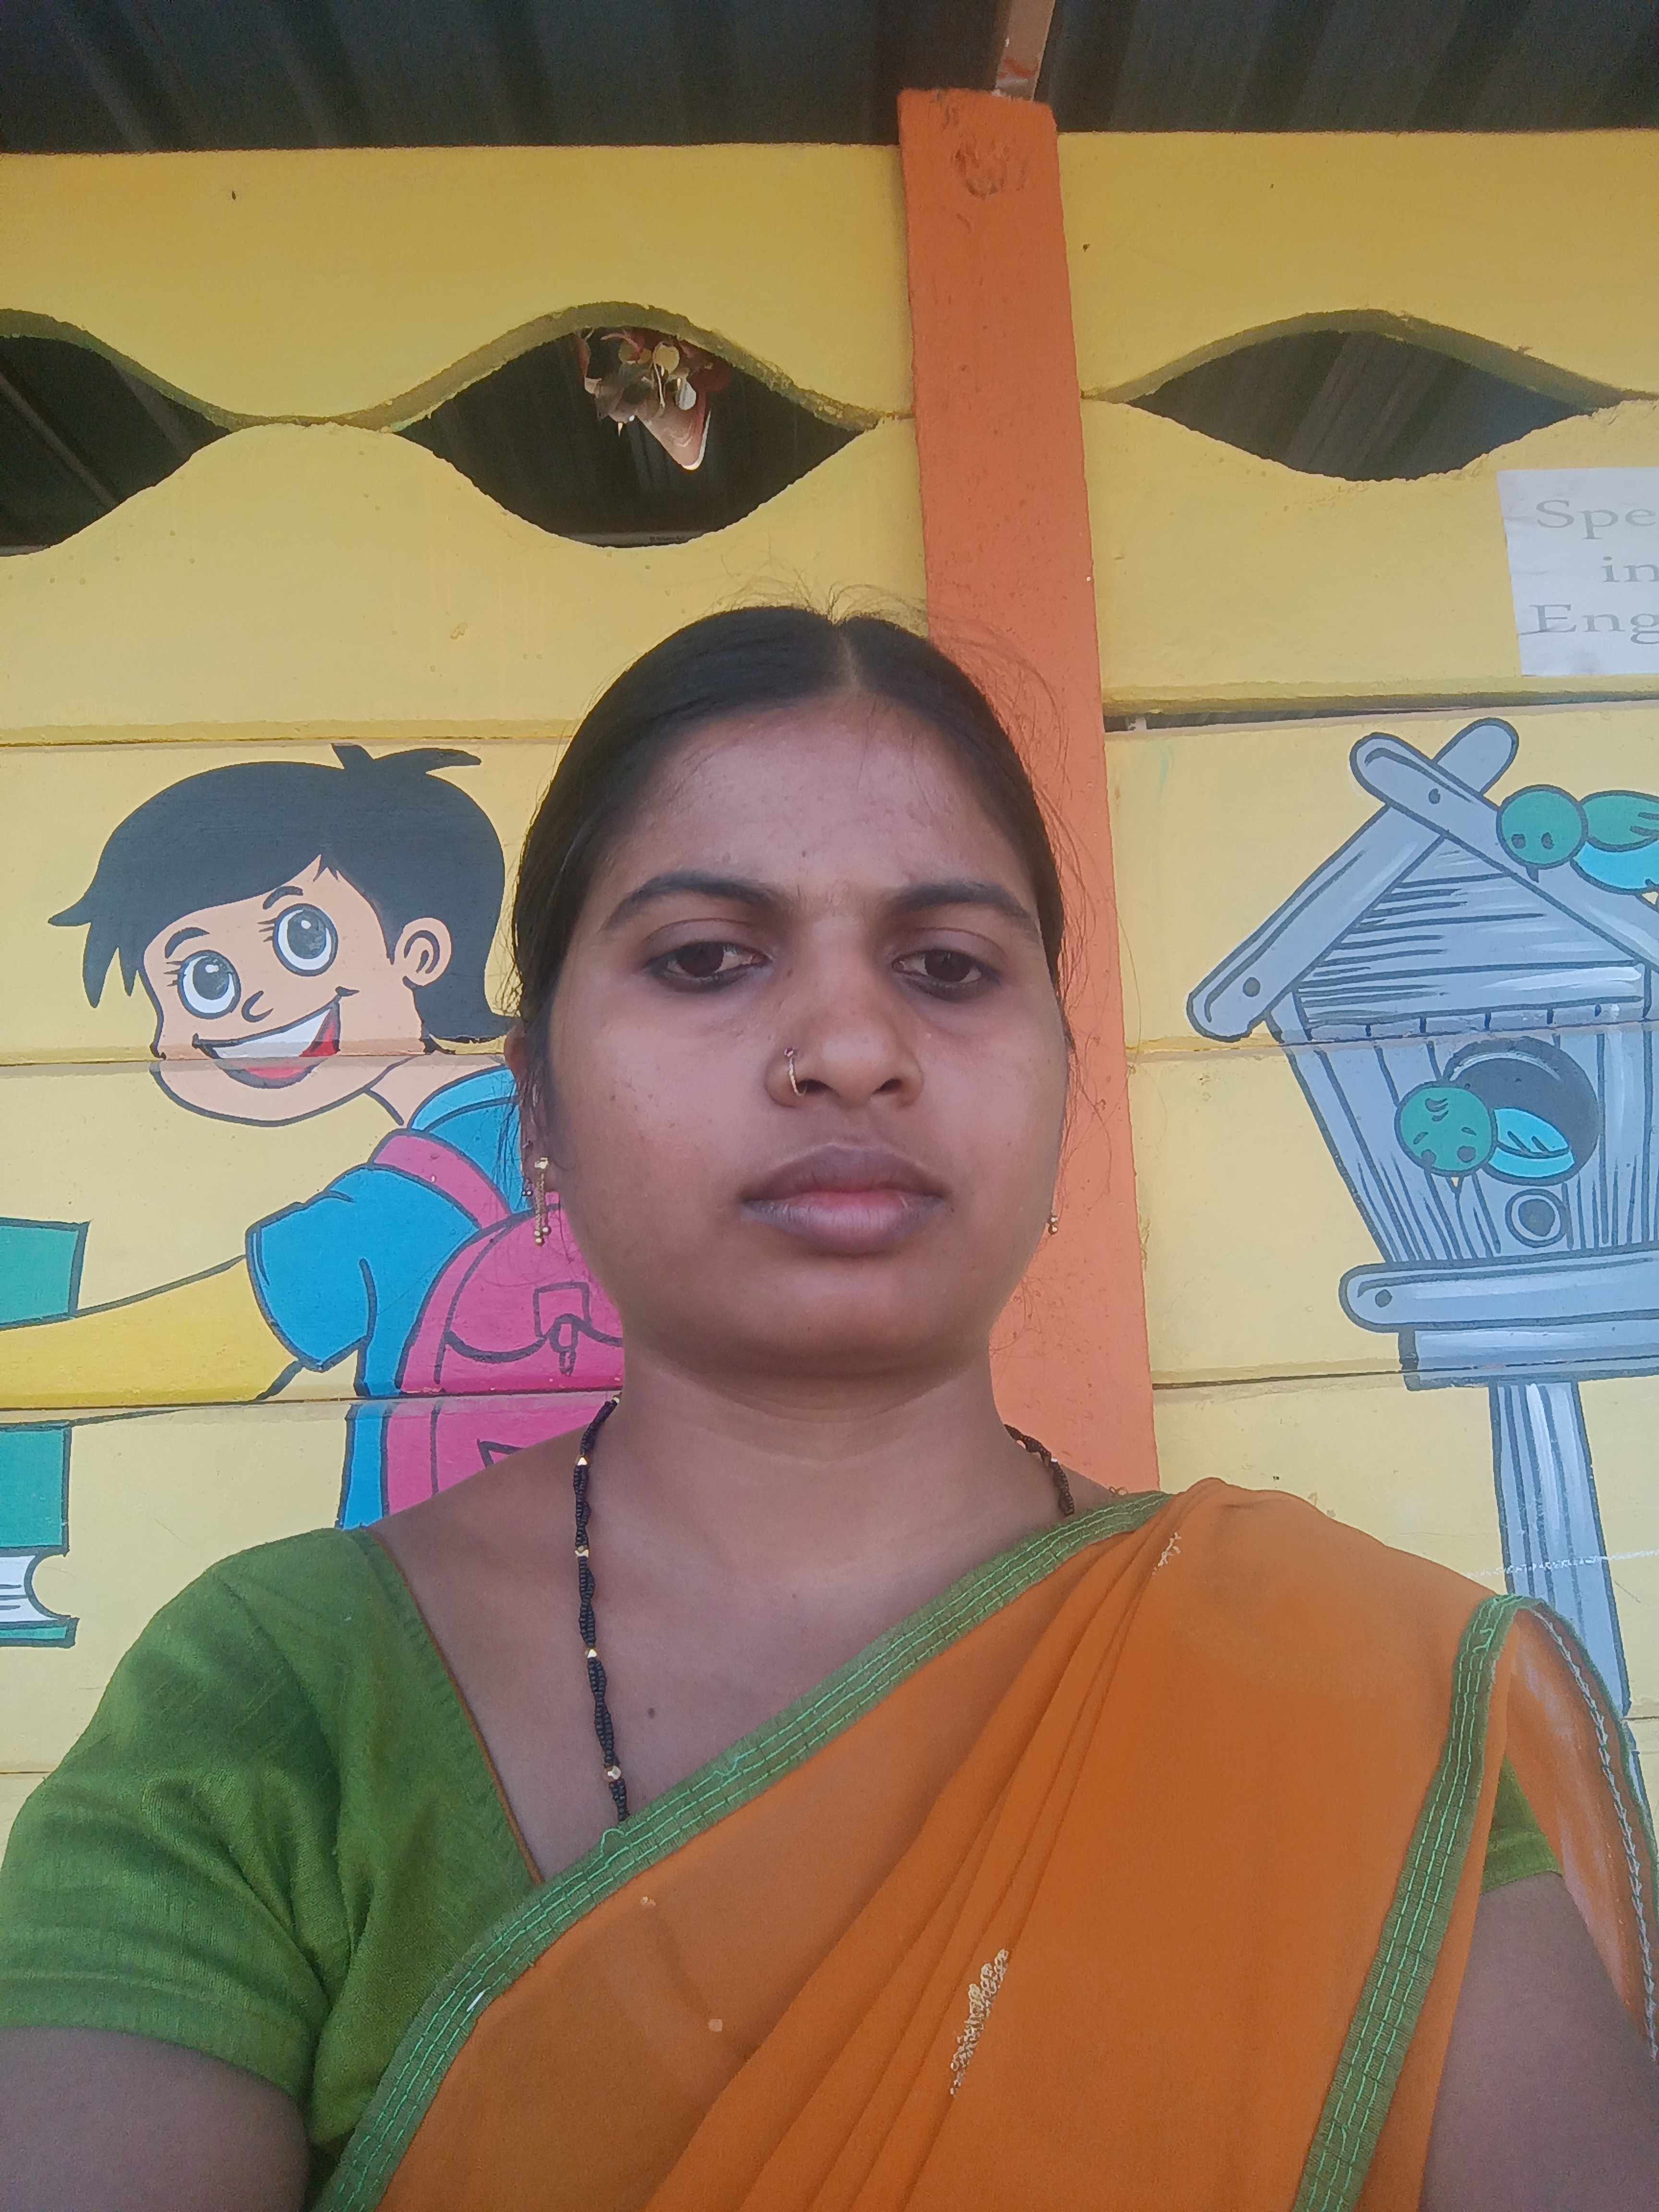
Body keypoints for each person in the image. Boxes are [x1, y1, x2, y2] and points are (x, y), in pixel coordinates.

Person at [0, 606, 1656, 2212]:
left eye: (948, 966)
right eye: (705, 959)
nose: (852, 1047)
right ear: (537, 1102)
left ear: (1062, 1080)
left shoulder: (1337, 1691)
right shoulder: (278, 1699)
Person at [0, 745, 619, 1523]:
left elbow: (179, 1348)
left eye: (301, 939)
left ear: (420, 951)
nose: (255, 1003)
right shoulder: (571, 1126)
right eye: (205, 980)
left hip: (437, 1585)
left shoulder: (400, 1208)